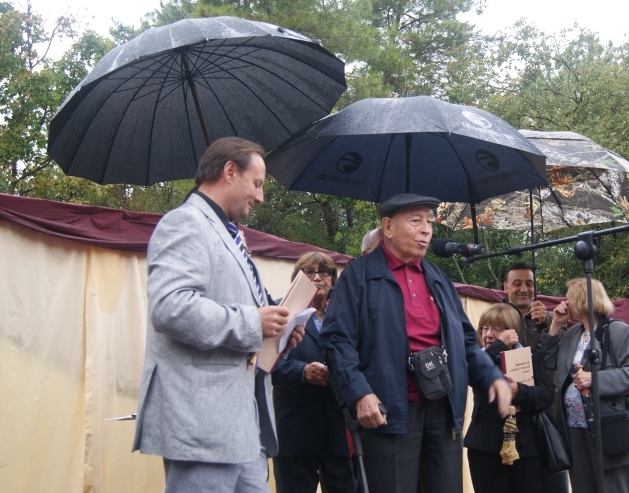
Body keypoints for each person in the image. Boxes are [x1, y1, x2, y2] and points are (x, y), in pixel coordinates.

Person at [132, 137, 304, 493]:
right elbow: (170, 307)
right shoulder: (185, 223)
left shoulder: (227, 233)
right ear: (229, 172)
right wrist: (252, 321)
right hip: (204, 423)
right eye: (257, 184)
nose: (260, 197)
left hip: (240, 423)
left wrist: (277, 336)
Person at [320, 192, 512, 493]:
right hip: (390, 412)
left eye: (429, 221)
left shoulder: (438, 278)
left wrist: (492, 377)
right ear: (388, 226)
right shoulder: (359, 276)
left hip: (443, 407)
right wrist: (360, 394)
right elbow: (336, 342)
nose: (426, 229)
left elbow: (465, 341)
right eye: (415, 221)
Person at [542, 278, 629, 493]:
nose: (566, 302)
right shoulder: (573, 333)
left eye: (570, 297)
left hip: (607, 429)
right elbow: (548, 361)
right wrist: (555, 325)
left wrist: (595, 380)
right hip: (574, 429)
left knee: (611, 488)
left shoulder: (617, 331)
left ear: (583, 300)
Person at [271, 252, 356, 493]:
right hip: (295, 429)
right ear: (297, 278)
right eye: (309, 272)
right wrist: (301, 372)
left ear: (333, 279)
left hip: (338, 431)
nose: (317, 277)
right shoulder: (281, 314)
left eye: (325, 271)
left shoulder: (344, 318)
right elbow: (265, 364)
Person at [465, 304, 554, 493]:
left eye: (497, 329)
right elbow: (471, 376)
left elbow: (547, 395)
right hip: (485, 446)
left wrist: (520, 391)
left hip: (526, 445)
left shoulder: (529, 356)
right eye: (485, 328)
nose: (488, 334)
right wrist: (499, 345)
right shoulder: (479, 359)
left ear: (513, 331)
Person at [502, 262, 569, 492]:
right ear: (505, 287)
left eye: (529, 284)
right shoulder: (496, 321)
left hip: (547, 419)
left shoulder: (551, 319)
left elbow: (568, 356)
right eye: (517, 283)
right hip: (511, 423)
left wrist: (549, 323)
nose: (524, 289)